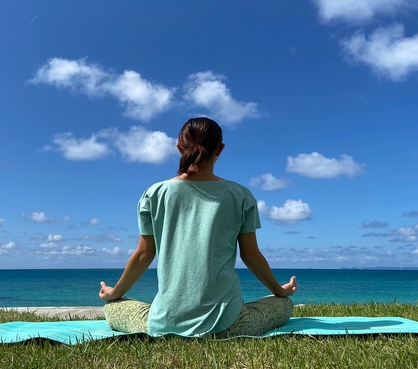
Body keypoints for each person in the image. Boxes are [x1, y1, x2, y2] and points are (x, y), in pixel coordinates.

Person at [99, 117, 297, 337]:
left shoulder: (154, 194)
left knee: (112, 308)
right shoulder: (240, 195)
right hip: (229, 325)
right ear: (220, 149)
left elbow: (144, 254)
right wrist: (279, 291)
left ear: (179, 148)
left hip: (166, 324)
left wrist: (114, 293)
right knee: (284, 304)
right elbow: (251, 256)